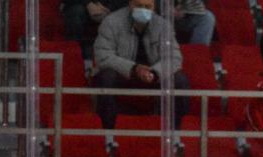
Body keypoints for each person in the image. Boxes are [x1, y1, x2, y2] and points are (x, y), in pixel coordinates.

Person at [92, 0, 190, 130]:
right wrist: (134, 69)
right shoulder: (111, 22)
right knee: (106, 77)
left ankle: (176, 133)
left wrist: (155, 73)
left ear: (154, 7)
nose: (143, 9)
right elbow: (103, 56)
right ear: (130, 4)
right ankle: (108, 133)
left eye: (148, 6)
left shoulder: (163, 25)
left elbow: (174, 58)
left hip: (153, 77)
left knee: (180, 80)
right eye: (138, 5)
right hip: (124, 75)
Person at [62, 0, 119, 65]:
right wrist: (88, 4)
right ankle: (75, 59)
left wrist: (108, 9)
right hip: (80, 7)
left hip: (107, 8)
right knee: (76, 11)